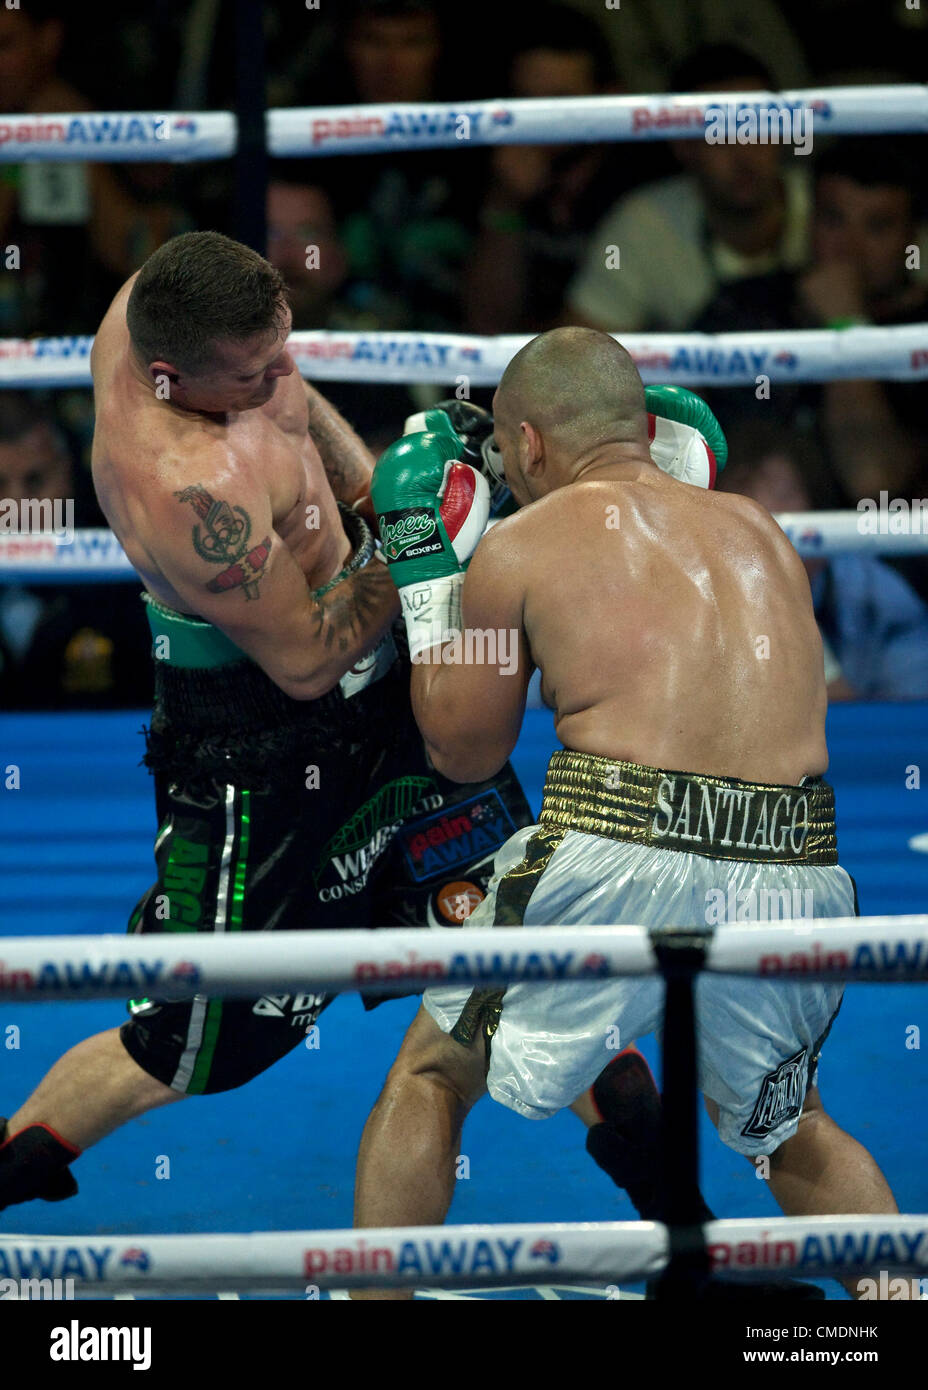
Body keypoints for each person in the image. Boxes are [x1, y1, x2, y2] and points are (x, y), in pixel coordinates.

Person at [355, 326, 906, 1300]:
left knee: (433, 1071)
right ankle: (896, 1301)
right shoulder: (763, 536)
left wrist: (427, 575)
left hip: (617, 843)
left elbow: (462, 748)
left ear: (526, 446)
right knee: (791, 1125)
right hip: (798, 865)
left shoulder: (520, 545)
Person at [0, 230, 534, 1210]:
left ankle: (681, 1233)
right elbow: (306, 658)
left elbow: (287, 388)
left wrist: (374, 491)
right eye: (253, 373)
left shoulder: (173, 300)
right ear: (170, 381)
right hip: (261, 747)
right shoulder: (182, 489)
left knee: (521, 949)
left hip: (387, 702)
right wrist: (424, 535)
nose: (280, 375)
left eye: (281, 347)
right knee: (181, 1049)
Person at [565, 45, 812, 334]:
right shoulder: (642, 223)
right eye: (718, 134)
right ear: (682, 146)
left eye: (758, 127)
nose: (744, 153)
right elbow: (581, 361)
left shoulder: (832, 207)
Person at [716, 422, 928, 700]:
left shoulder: (874, 592)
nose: (767, 517)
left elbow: (908, 725)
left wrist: (815, 660)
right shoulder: (696, 598)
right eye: (744, 497)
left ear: (815, 505)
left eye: (783, 495)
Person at [0, 392, 152, 710]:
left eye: (36, 481)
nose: (16, 506)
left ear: (69, 475)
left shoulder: (124, 574)